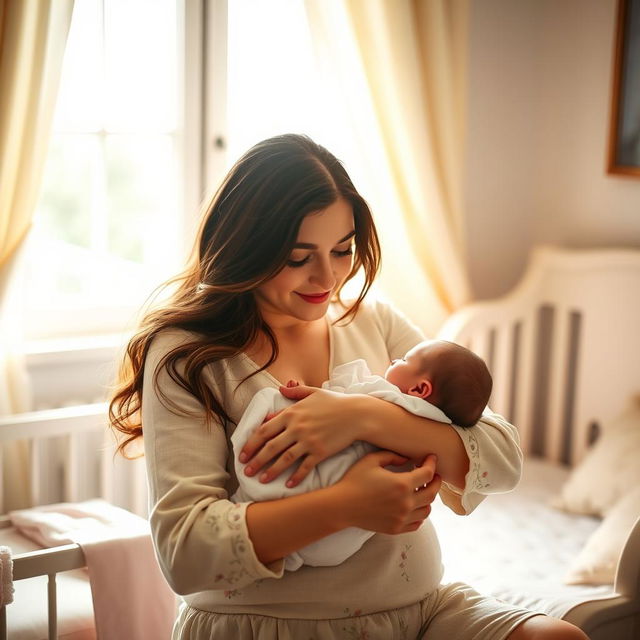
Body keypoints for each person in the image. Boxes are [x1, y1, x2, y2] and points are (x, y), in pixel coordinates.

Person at [109, 134, 588, 639]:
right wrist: (347, 505)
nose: (328, 276)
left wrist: (363, 417)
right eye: (299, 257)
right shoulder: (188, 355)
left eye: (343, 250)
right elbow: (185, 554)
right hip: (271, 625)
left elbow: (502, 460)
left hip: (421, 610)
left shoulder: (374, 322)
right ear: (244, 249)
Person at [230, 339, 493, 571]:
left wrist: (306, 399)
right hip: (340, 546)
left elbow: (338, 399)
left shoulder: (386, 396)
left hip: (326, 491)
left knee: (270, 399)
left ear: (420, 390)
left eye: (403, 360)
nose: (392, 360)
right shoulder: (440, 428)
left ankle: (254, 491)